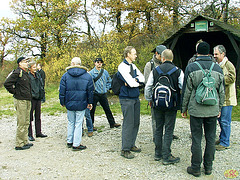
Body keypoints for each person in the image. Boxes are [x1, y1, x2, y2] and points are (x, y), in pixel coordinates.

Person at [181, 42, 225, 177]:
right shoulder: (217, 68)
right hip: (212, 109)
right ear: (209, 53)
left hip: (196, 109)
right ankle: (208, 167)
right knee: (211, 138)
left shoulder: (191, 67)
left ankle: (195, 167)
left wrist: (184, 108)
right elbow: (221, 91)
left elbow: (187, 90)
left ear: (197, 53)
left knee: (196, 138)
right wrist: (220, 107)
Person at [145, 49, 184, 164]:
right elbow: (183, 86)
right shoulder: (178, 71)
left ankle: (158, 153)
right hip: (171, 105)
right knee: (168, 129)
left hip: (157, 104)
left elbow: (148, 86)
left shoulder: (155, 70)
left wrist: (149, 99)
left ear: (162, 58)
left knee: (158, 128)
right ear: (172, 58)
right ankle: (166, 156)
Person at [59, 57, 94, 151]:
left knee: (71, 122)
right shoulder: (87, 76)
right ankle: (76, 144)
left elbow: (62, 90)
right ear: (80, 64)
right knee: (78, 123)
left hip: (69, 103)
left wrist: (62, 102)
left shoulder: (65, 75)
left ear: (73, 63)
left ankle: (69, 141)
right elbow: (90, 91)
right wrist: (90, 102)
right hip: (82, 103)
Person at [117, 46, 145, 159]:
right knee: (128, 124)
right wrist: (134, 82)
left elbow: (142, 78)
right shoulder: (122, 67)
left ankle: (131, 144)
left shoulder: (132, 66)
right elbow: (131, 83)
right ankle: (125, 149)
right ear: (128, 54)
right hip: (126, 98)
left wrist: (136, 80)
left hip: (135, 98)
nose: (136, 55)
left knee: (136, 122)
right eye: (134, 53)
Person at [4, 57, 33, 150]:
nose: (27, 63)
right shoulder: (17, 73)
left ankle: (25, 141)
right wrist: (15, 92)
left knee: (26, 121)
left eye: (27, 62)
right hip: (21, 100)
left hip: (27, 99)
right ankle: (19, 143)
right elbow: (7, 83)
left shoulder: (25, 73)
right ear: (20, 63)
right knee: (21, 121)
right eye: (25, 62)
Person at [213, 45, 237, 151]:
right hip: (220, 98)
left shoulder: (229, 65)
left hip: (227, 98)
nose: (215, 56)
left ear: (223, 54)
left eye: (216, 54)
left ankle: (225, 142)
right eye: (214, 54)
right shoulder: (217, 65)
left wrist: (219, 79)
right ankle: (222, 138)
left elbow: (232, 78)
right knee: (220, 120)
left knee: (225, 121)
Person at [89, 58, 121, 130]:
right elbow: (89, 84)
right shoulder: (91, 73)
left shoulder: (105, 72)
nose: (99, 63)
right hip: (95, 94)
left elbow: (109, 81)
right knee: (92, 110)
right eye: (98, 62)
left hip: (103, 94)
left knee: (107, 109)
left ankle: (112, 123)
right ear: (95, 63)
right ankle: (91, 125)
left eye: (100, 62)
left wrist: (106, 88)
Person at [28, 61, 47, 141]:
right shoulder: (28, 76)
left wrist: (42, 94)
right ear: (30, 68)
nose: (35, 68)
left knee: (38, 116)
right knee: (30, 117)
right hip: (32, 98)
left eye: (35, 67)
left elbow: (41, 84)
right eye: (33, 67)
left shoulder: (38, 75)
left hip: (38, 97)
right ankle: (30, 134)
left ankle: (38, 132)